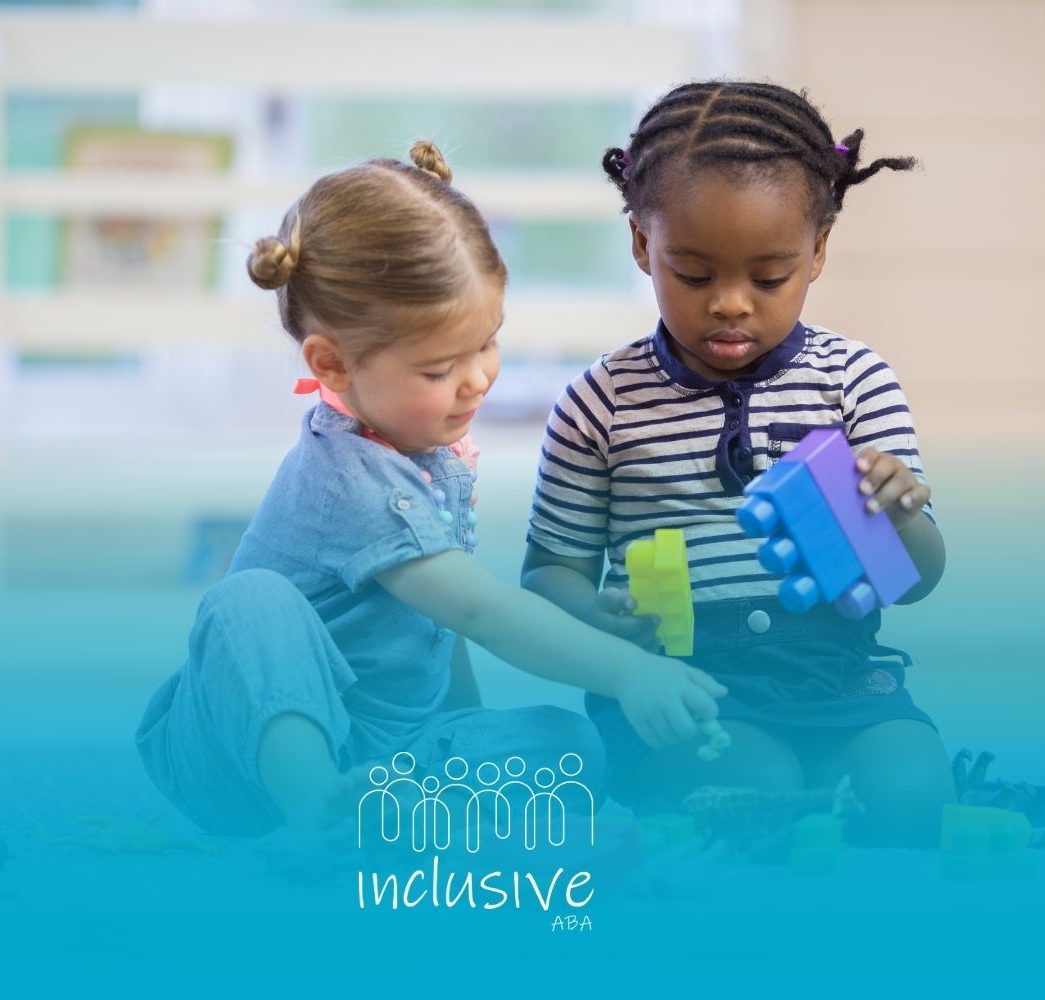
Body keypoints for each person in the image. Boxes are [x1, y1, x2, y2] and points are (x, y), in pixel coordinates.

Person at [136, 141, 726, 837]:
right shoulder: (349, 479)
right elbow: (482, 611)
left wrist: (469, 727)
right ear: (332, 362)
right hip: (240, 750)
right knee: (249, 602)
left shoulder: (427, 455)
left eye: (488, 342)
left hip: (382, 746)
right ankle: (313, 808)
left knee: (571, 748)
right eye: (442, 366)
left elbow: (441, 631)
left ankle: (384, 815)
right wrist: (626, 671)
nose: (478, 378)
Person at [521, 82, 954, 847]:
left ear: (816, 252)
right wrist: (598, 620)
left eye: (767, 276)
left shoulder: (854, 380)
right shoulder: (601, 402)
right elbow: (549, 573)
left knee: (912, 793)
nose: (729, 303)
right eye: (693, 275)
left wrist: (902, 513)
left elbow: (915, 582)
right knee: (758, 794)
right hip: (679, 684)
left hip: (840, 675)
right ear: (640, 245)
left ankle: (831, 821)